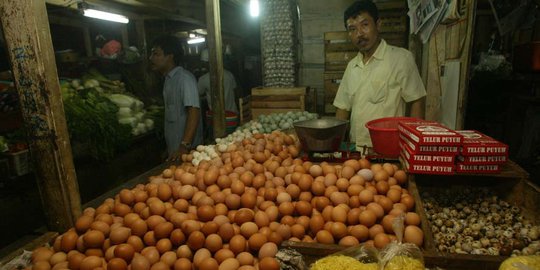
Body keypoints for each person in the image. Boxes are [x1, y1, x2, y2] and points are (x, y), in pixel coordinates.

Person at [333, 0, 426, 150]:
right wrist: (334, 145)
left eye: (365, 25)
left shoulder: (401, 59)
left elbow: (417, 100)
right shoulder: (352, 67)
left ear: (378, 24)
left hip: (390, 150)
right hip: (357, 151)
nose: (359, 34)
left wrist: (412, 145)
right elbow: (342, 109)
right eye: (352, 29)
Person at [149, 35, 203, 161]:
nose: (151, 58)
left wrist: (184, 146)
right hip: (176, 152)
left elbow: (194, 111)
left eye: (156, 54)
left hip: (187, 153)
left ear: (170, 56)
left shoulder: (184, 79)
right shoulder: (168, 80)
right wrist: (170, 148)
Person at [197, 48, 239, 114]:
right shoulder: (229, 74)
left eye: (203, 63)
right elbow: (236, 94)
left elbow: (197, 95)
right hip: (233, 114)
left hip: (218, 118)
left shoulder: (203, 79)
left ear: (205, 63)